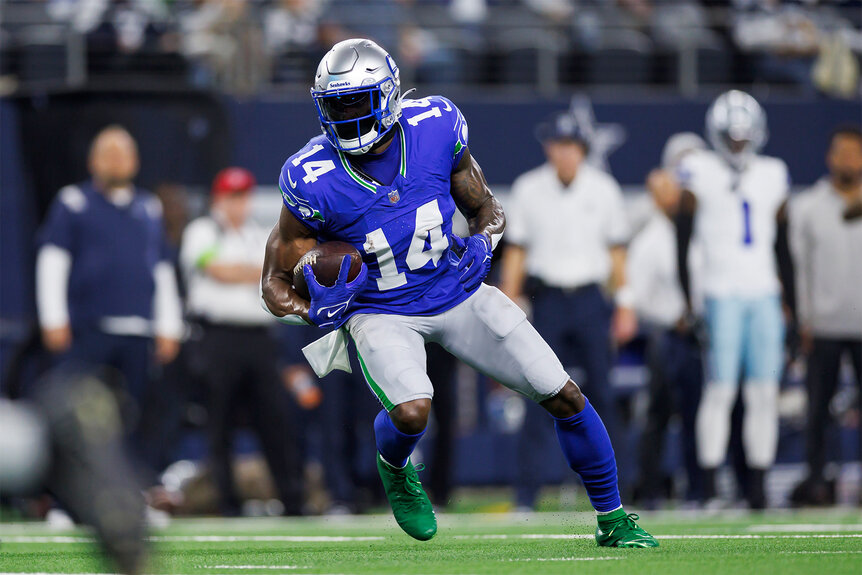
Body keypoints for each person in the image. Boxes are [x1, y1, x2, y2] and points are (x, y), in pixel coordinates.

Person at [261, 38, 656, 547]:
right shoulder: (310, 176)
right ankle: (396, 466)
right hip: (382, 310)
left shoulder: (435, 125)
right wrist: (314, 311)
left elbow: (487, 208)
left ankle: (613, 518)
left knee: (562, 393)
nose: (346, 114)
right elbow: (272, 282)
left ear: (387, 95)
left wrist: (484, 245)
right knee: (412, 410)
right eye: (335, 103)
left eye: (356, 100)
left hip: (457, 289)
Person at [499, 110, 637, 509]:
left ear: (582, 150)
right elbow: (518, 250)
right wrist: (510, 295)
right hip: (549, 300)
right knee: (539, 392)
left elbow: (616, 252)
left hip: (591, 299)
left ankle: (621, 489)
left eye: (571, 147)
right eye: (559, 146)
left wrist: (625, 303)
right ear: (549, 148)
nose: (564, 154)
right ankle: (526, 495)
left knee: (605, 396)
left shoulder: (604, 188)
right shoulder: (528, 188)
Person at [36, 125, 183, 480]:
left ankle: (130, 498)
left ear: (134, 161)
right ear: (93, 161)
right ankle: (67, 499)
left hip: (138, 331)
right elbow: (52, 261)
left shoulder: (148, 207)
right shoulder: (73, 202)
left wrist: (169, 325)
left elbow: (161, 268)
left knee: (135, 416)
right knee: (78, 413)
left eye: (123, 153)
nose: (117, 161)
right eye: (109, 153)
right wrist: (52, 318)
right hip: (89, 327)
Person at [676, 90, 790, 509]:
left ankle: (757, 489)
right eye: (732, 136)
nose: (738, 144)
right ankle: (708, 488)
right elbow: (681, 238)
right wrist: (690, 302)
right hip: (720, 293)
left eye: (744, 137)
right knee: (720, 391)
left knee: (763, 392)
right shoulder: (697, 169)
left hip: (764, 292)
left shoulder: (773, 172)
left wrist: (790, 303)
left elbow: (784, 247)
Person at [180, 167, 303, 516]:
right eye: (232, 196)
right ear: (218, 199)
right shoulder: (202, 231)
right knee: (220, 422)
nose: (239, 203)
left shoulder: (258, 234)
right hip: (218, 337)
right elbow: (218, 269)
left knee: (274, 419)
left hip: (260, 339)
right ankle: (226, 503)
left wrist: (255, 269)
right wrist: (257, 270)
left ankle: (293, 500)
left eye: (243, 196)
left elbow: (282, 274)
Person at [628, 134, 706, 506]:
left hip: (700, 335)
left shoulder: (704, 233)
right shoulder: (649, 240)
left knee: (699, 416)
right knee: (659, 415)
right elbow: (639, 298)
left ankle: (700, 490)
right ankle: (651, 490)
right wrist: (673, 317)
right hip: (667, 336)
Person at [788, 127, 862, 506]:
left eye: (855, 152)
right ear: (830, 157)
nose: (848, 159)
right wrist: (805, 318)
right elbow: (800, 268)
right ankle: (817, 479)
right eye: (842, 152)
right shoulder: (809, 205)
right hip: (826, 323)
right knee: (817, 408)